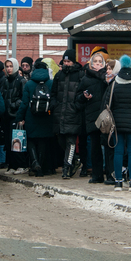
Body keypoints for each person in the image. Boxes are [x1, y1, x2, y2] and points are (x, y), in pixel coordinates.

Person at [101, 55, 131, 191]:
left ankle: (118, 182)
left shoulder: (114, 84)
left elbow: (106, 104)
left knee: (118, 152)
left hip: (116, 125)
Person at [16, 61, 55, 177]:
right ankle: (40, 168)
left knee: (31, 141)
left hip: (31, 116)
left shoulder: (29, 84)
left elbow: (24, 103)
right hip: (46, 117)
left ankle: (35, 163)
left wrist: (19, 117)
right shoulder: (51, 83)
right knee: (43, 141)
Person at [51, 49, 86, 179]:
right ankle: (75, 160)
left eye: (69, 61)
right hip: (60, 113)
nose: (66, 63)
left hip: (73, 113)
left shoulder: (80, 75)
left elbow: (82, 93)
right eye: (65, 61)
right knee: (61, 140)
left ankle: (67, 167)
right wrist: (54, 105)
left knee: (71, 142)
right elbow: (53, 93)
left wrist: (77, 106)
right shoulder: (58, 76)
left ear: (73, 61)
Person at [75, 52, 108, 183]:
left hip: (107, 117)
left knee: (108, 146)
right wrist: (84, 96)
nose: (98, 64)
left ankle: (110, 174)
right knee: (95, 148)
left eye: (100, 61)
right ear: (91, 63)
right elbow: (77, 98)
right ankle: (97, 175)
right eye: (96, 61)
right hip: (93, 117)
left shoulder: (107, 77)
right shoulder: (85, 78)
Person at [1, 57, 27, 174]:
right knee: (8, 141)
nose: (9, 69)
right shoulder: (5, 80)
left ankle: (20, 165)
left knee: (17, 140)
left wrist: (13, 104)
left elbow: (24, 98)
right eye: (7, 66)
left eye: (11, 66)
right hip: (6, 115)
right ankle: (11, 165)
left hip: (16, 114)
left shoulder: (21, 80)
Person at [102, 58, 121, 184]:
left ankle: (112, 174)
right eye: (107, 68)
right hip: (108, 121)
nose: (108, 71)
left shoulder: (115, 83)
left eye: (110, 68)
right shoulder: (108, 83)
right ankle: (109, 173)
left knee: (112, 148)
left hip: (113, 121)